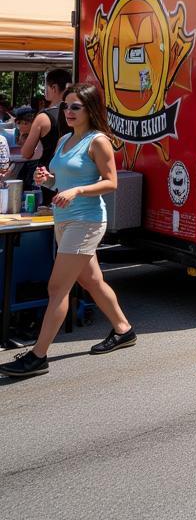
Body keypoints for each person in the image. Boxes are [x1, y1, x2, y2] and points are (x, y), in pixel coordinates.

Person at [0, 83, 136, 379]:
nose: (69, 111)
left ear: (90, 109)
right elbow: (60, 182)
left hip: (85, 222)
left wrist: (77, 190)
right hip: (64, 219)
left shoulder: (97, 141)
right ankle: (124, 329)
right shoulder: (63, 140)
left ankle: (38, 356)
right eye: (66, 106)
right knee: (92, 281)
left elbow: (111, 182)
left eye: (76, 106)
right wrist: (48, 180)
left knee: (57, 288)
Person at [16, 68, 71, 193]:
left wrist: (24, 136)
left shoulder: (43, 117)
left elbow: (26, 153)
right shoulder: (78, 114)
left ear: (54, 88)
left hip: (47, 174)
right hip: (71, 173)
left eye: (46, 87)